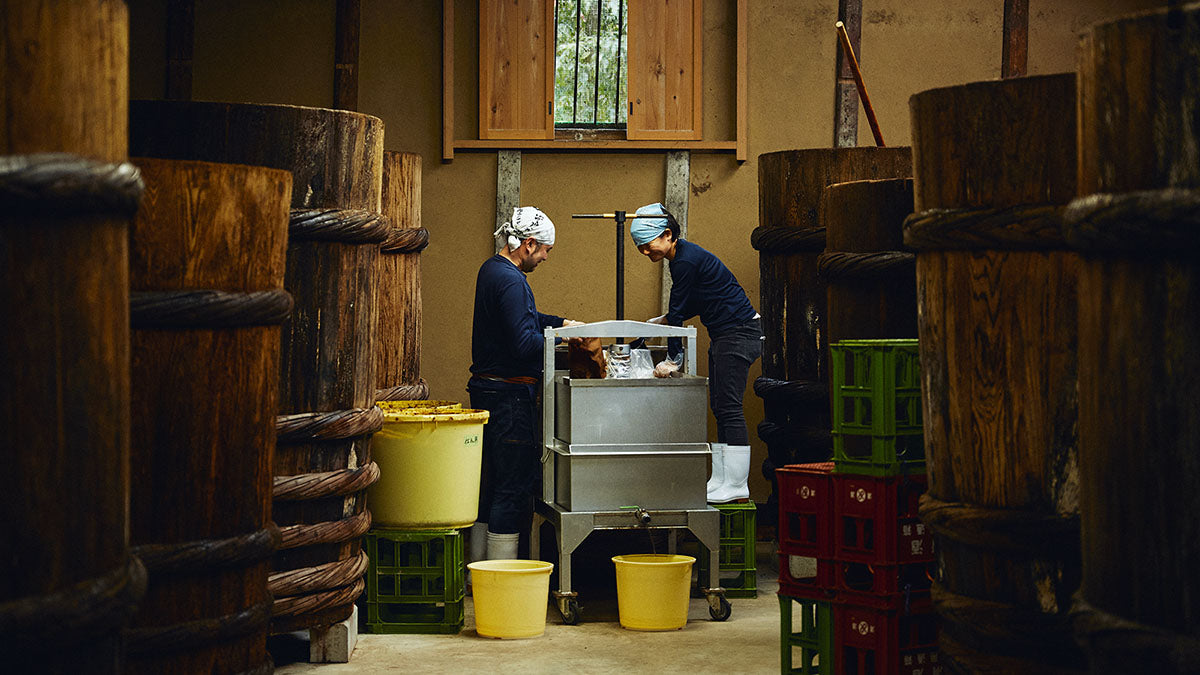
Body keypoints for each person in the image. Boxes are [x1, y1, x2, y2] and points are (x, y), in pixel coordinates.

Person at [467, 206, 582, 564]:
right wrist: (565, 341)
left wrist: (564, 323)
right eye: (546, 249)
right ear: (528, 245)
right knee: (512, 487)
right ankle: (500, 574)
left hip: (488, 391)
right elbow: (523, 342)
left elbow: (527, 319)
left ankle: (478, 570)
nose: (546, 257)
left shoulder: (492, 270)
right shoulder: (512, 280)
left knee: (489, 486)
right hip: (510, 397)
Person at [631, 202, 762, 503]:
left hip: (739, 333)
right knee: (719, 408)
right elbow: (696, 302)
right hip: (726, 333)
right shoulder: (685, 256)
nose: (645, 253)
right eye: (640, 248)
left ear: (666, 235)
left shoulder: (684, 262)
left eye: (647, 246)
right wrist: (664, 320)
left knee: (729, 408)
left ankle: (738, 483)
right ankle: (721, 479)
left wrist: (671, 358)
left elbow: (678, 310)